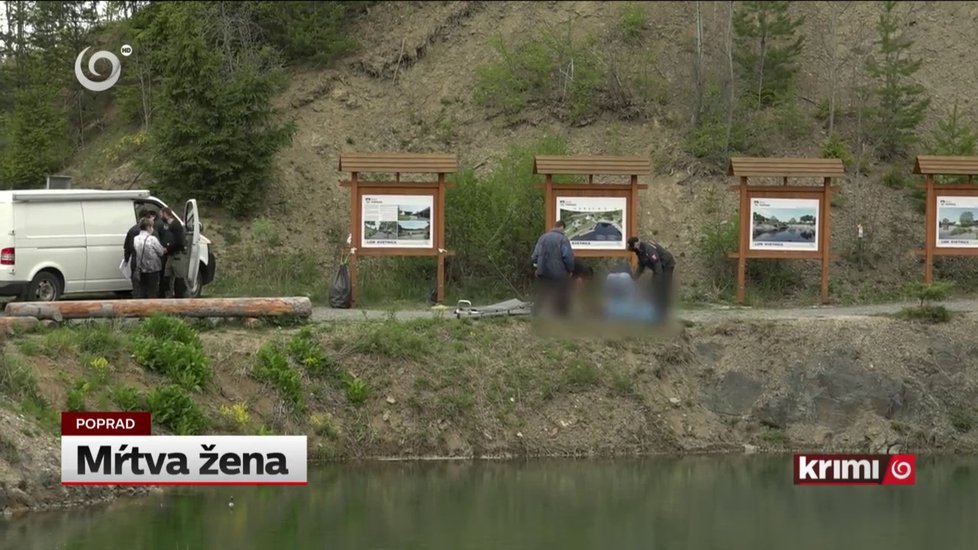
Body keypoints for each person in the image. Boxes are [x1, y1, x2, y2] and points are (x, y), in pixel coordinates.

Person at [530, 221, 575, 317]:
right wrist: (570, 270)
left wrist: (537, 268)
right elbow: (567, 257)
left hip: (543, 271)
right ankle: (562, 315)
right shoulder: (563, 239)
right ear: (562, 227)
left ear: (554, 226)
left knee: (542, 292)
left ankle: (535, 313)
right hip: (558, 272)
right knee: (562, 292)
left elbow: (535, 256)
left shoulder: (542, 238)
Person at [627, 236, 676, 317]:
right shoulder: (640, 251)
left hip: (667, 264)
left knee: (664, 286)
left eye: (632, 247)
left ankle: (664, 312)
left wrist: (658, 282)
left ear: (636, 244)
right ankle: (657, 308)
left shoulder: (648, 250)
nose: (632, 250)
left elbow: (657, 265)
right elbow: (641, 266)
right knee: (655, 285)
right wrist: (634, 278)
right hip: (660, 266)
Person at [131, 218, 166, 299]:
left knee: (143, 290)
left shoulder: (136, 239)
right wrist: (164, 249)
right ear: (148, 227)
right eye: (151, 226)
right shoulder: (152, 239)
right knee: (153, 291)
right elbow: (160, 252)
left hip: (141, 268)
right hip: (153, 269)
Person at [159, 207, 188, 298]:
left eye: (161, 214)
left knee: (179, 278)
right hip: (170, 255)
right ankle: (168, 295)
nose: (160, 216)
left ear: (165, 214)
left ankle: (180, 296)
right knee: (166, 276)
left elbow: (178, 241)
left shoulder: (176, 225)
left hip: (176, 255)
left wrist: (168, 249)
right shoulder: (167, 225)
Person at [124, 209, 156, 276]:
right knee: (149, 284)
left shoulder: (132, 230)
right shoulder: (151, 230)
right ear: (148, 218)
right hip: (148, 262)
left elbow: (127, 248)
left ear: (139, 217)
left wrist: (126, 260)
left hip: (135, 261)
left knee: (137, 284)